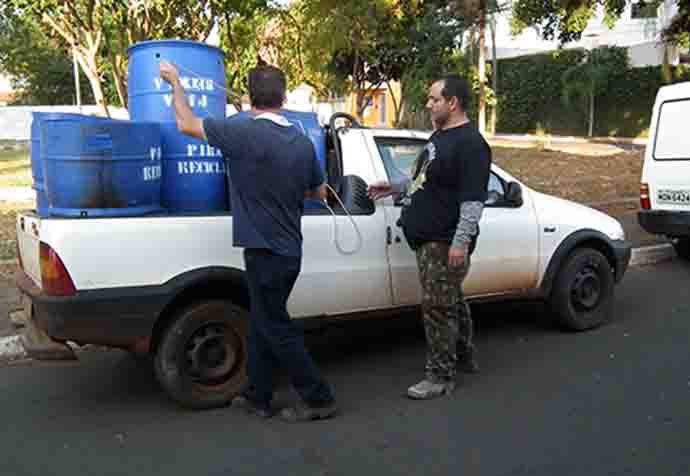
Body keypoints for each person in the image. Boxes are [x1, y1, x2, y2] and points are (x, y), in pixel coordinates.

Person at [159, 62, 337, 421]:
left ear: (250, 97)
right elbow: (318, 192)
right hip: (289, 251)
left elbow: (185, 123)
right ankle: (259, 396)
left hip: (265, 253)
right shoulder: (302, 142)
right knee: (261, 320)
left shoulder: (241, 132)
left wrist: (176, 81)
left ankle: (319, 397)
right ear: (284, 98)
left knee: (275, 325)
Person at [367, 74, 491, 400]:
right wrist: (393, 188)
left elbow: (472, 201)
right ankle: (463, 355)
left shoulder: (471, 145)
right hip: (429, 238)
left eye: (434, 99)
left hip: (443, 240)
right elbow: (425, 182)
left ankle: (440, 376)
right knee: (452, 299)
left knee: (437, 307)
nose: (428, 104)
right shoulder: (439, 137)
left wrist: (460, 243)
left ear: (453, 103)